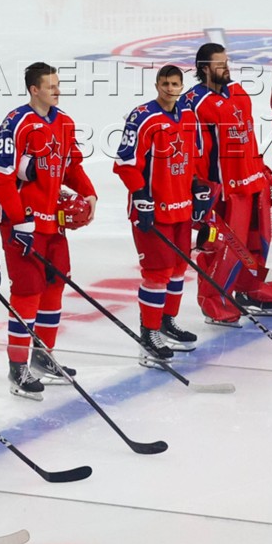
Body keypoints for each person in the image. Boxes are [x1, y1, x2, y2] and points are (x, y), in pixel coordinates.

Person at [0, 62, 95, 391]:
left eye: (57, 84)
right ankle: (18, 367)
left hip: (54, 224)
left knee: (54, 288)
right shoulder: (15, 123)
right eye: (50, 86)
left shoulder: (64, 122)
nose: (57, 90)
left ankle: (43, 355)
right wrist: (19, 221)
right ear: (34, 89)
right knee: (27, 293)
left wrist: (89, 193)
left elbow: (72, 167)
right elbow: (0, 179)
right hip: (23, 225)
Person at [181, 42, 272, 321]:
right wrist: (198, 188)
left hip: (253, 182)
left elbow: (248, 136)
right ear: (204, 68)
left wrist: (263, 172)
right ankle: (214, 300)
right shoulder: (193, 103)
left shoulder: (238, 92)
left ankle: (250, 287)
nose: (226, 68)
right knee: (223, 248)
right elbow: (193, 150)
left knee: (257, 243)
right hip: (226, 190)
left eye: (226, 62)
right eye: (220, 64)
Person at [113, 65, 204, 366]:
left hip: (181, 207)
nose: (170, 88)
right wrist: (140, 195)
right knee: (156, 273)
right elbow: (125, 163)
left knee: (178, 269)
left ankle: (167, 322)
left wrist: (196, 186)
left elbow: (191, 158)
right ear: (156, 85)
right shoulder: (143, 117)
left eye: (175, 84)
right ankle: (149, 334)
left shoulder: (188, 115)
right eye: (165, 83)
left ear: (181, 86)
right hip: (153, 211)